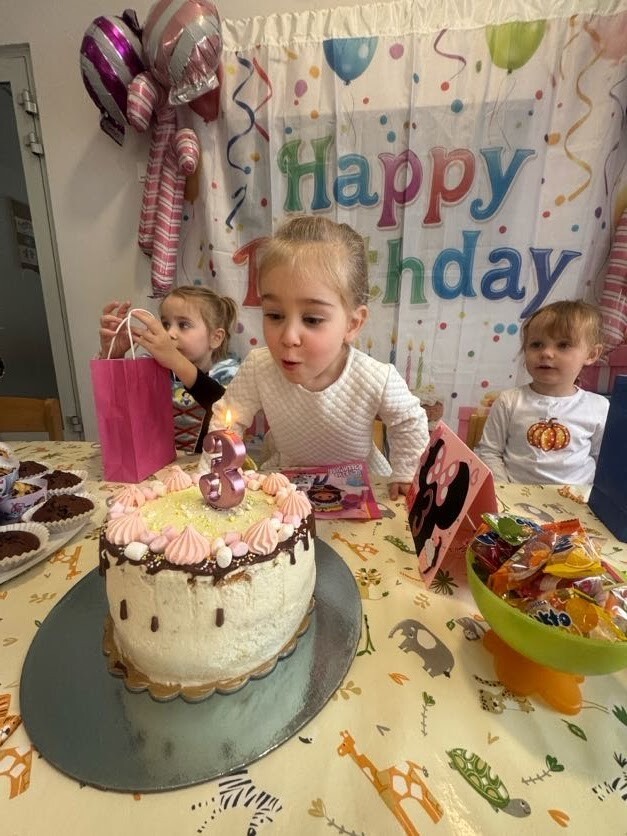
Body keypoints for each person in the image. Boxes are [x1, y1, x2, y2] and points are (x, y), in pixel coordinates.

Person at [201, 216, 430, 499]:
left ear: (352, 324)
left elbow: (409, 421)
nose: (289, 336)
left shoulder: (376, 377)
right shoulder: (260, 367)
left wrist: (407, 472)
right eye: (274, 315)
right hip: (286, 485)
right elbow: (227, 420)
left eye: (311, 319)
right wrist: (211, 475)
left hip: (361, 485)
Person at [475, 299, 609, 484]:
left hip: (574, 498)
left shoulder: (599, 407)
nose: (546, 353)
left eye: (563, 345)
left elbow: (605, 462)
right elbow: (489, 452)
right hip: (514, 496)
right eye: (536, 344)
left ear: (592, 354)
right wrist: (504, 491)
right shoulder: (509, 401)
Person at [99, 285, 239, 453]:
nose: (170, 333)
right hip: (155, 465)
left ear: (215, 338)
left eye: (184, 325)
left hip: (206, 466)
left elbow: (222, 404)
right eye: (165, 324)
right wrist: (113, 356)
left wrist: (175, 361)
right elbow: (119, 405)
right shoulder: (151, 369)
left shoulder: (228, 373)